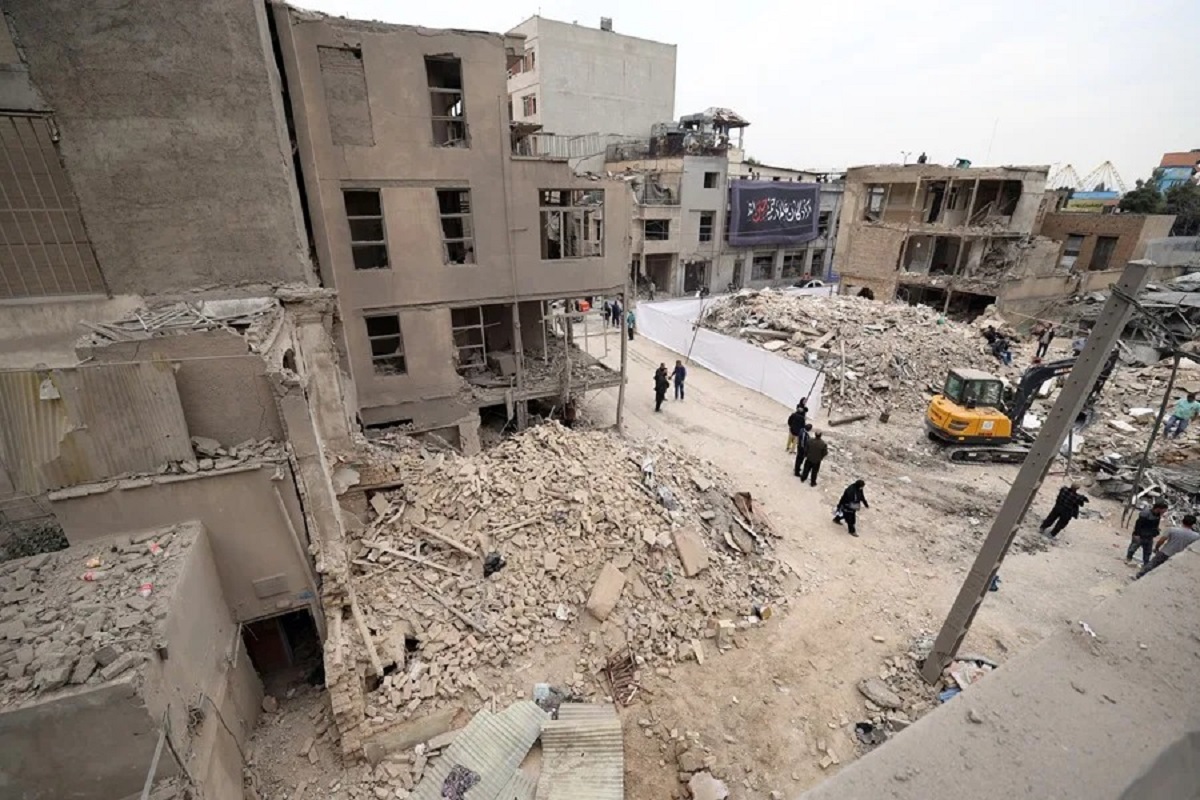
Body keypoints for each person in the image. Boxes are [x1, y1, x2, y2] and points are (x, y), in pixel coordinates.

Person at [1136, 514, 1199, 579]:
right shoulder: (1196, 536)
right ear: (1193, 524)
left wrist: (1156, 548)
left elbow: (1161, 540)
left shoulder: (1172, 530)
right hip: (1178, 556)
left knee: (1151, 565)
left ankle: (1139, 576)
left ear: (1182, 521)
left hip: (1165, 552)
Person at [1126, 501, 1167, 567]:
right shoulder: (1145, 513)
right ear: (1159, 508)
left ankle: (1146, 564)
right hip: (1140, 534)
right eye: (1164, 510)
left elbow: (1155, 525)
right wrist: (1136, 534)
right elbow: (1138, 524)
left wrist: (1156, 530)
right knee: (1133, 548)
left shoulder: (1158, 515)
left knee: (1148, 551)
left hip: (1149, 536)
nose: (1164, 512)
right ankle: (1128, 558)